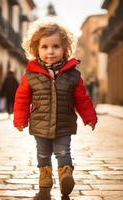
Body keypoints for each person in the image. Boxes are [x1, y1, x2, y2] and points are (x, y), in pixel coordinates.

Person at [13, 18, 97, 200]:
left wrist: (89, 116)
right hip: (40, 123)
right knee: (43, 152)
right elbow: (21, 98)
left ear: (65, 48)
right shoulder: (31, 74)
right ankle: (45, 174)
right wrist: (20, 119)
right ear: (36, 49)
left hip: (64, 122)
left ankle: (66, 175)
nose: (50, 51)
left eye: (56, 46)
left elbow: (82, 98)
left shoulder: (73, 74)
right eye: (45, 47)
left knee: (63, 151)